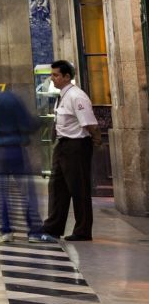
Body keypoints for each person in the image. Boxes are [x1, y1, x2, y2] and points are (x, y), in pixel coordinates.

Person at [39, 59, 101, 242]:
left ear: (67, 76)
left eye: (56, 75)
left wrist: (97, 143)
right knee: (57, 187)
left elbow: (90, 124)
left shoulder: (77, 96)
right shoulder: (62, 96)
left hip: (76, 145)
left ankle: (83, 230)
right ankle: (53, 226)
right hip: (63, 145)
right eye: (52, 74)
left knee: (78, 188)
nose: (52, 78)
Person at [0, 71, 42, 244]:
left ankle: (6, 230)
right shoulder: (15, 100)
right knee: (26, 192)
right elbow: (28, 124)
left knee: (2, 194)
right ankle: (33, 231)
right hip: (15, 149)